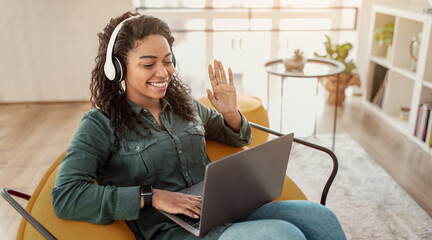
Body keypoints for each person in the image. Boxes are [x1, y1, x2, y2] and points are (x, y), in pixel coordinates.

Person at [52, 11, 347, 240]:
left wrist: (230, 113)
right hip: (176, 232)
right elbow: (65, 196)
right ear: (117, 68)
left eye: (168, 61)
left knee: (320, 217)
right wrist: (151, 196)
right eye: (148, 64)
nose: (163, 72)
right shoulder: (99, 124)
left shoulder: (185, 105)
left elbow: (236, 136)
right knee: (284, 236)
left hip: (225, 209)